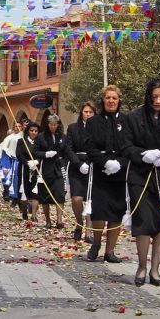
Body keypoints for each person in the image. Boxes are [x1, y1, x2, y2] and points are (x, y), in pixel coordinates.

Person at [122, 79, 160, 287]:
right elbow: (126, 146)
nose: (158, 101)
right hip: (140, 175)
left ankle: (155, 270)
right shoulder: (134, 118)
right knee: (143, 220)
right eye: (154, 96)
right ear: (148, 96)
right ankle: (141, 266)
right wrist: (142, 155)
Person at [86, 85, 128, 263]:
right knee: (100, 210)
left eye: (114, 98)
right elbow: (89, 146)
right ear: (103, 100)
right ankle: (96, 243)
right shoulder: (94, 122)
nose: (111, 101)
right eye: (108, 98)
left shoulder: (127, 121)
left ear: (119, 101)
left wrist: (120, 163)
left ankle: (110, 251)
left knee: (117, 211)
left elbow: (130, 146)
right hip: (101, 170)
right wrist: (104, 162)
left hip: (119, 171)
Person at [66, 102, 96, 242]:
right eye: (86, 111)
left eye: (91, 112)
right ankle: (79, 223)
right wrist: (78, 164)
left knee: (90, 199)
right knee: (77, 199)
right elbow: (69, 148)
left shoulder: (99, 128)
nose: (88, 114)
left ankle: (89, 231)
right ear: (81, 113)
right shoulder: (73, 128)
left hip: (93, 165)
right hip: (77, 165)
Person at [35, 114, 68, 229]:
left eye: (55, 124)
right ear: (48, 124)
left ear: (58, 125)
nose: (53, 127)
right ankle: (48, 220)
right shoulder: (41, 137)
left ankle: (59, 220)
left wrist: (65, 164)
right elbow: (35, 152)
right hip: (46, 169)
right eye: (51, 124)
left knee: (59, 194)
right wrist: (45, 154)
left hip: (58, 168)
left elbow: (65, 152)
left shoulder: (63, 137)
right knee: (45, 196)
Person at [16, 122, 41, 221]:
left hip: (36, 170)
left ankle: (34, 214)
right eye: (31, 130)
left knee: (35, 192)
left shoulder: (39, 142)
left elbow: (41, 154)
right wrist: (27, 163)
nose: (34, 132)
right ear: (28, 131)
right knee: (24, 192)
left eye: (36, 131)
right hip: (24, 170)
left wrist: (37, 161)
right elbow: (19, 154)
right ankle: (24, 212)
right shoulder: (21, 141)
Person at [0, 125, 21, 202]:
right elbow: (4, 149)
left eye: (19, 126)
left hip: (19, 160)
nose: (17, 128)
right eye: (16, 126)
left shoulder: (23, 136)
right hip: (9, 160)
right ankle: (7, 194)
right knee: (7, 178)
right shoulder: (9, 138)